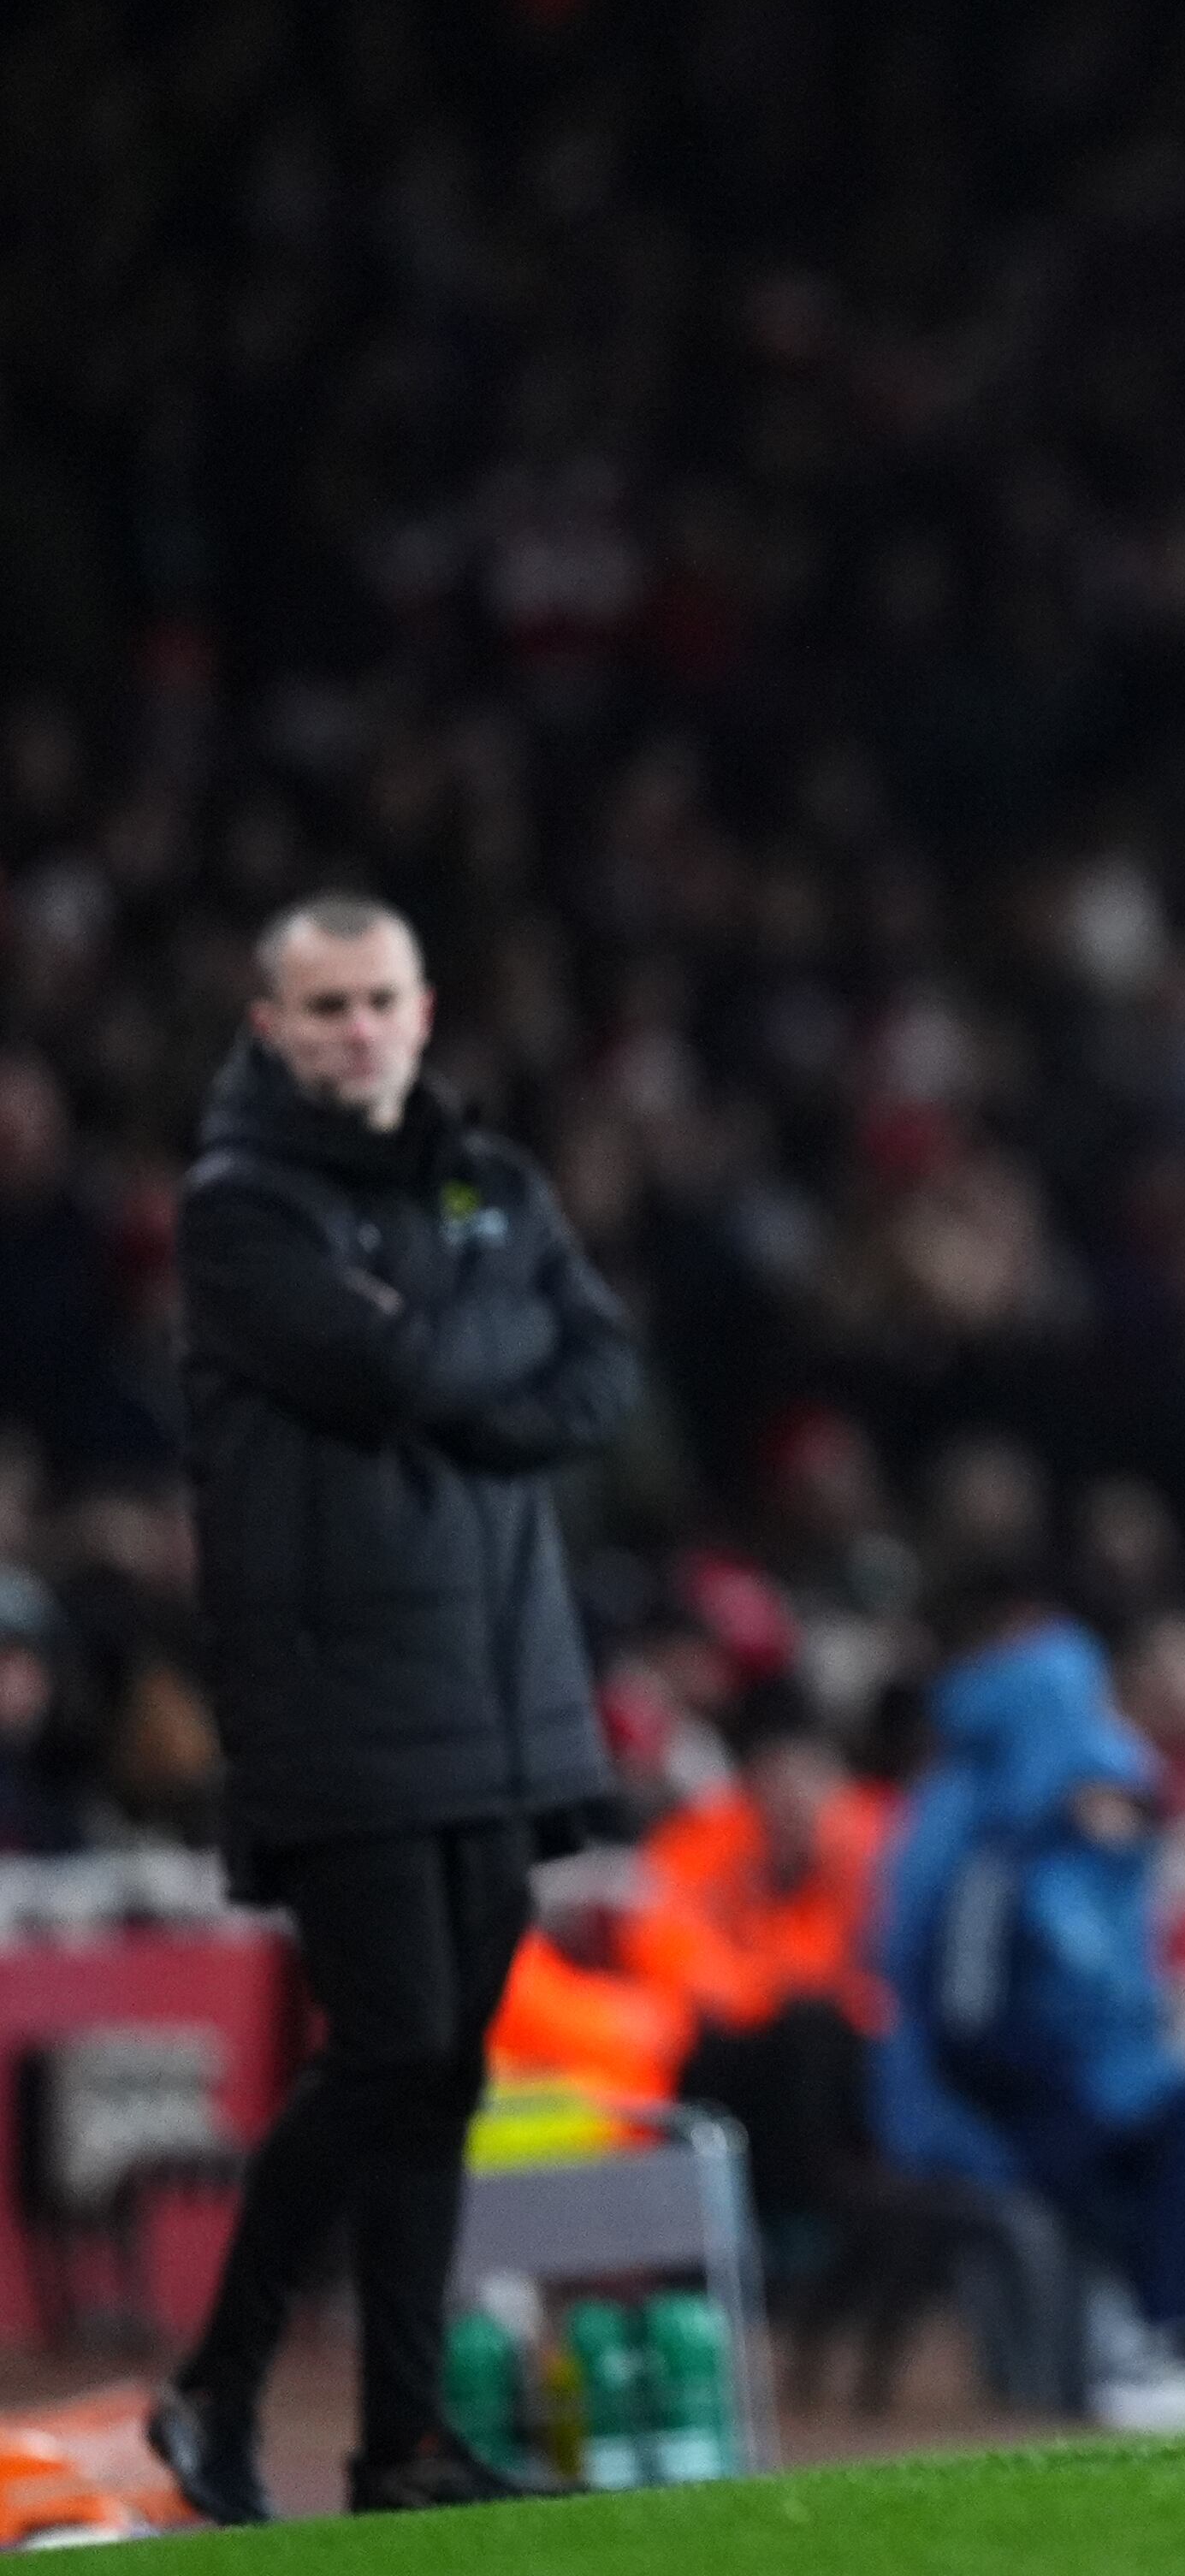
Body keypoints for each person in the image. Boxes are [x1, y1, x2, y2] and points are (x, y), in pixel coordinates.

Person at [151, 895, 640, 2520]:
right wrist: (477, 1363)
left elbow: (600, 1373)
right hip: (340, 1694)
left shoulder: (491, 1182)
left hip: (504, 1689)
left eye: (381, 1000)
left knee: (445, 2069)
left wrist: (457, 1361)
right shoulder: (240, 1211)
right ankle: (214, 2384)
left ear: (425, 1010)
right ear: (273, 1023)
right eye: (327, 1004)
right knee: (396, 2047)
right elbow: (410, 1379)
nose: (359, 1028)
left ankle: (405, 2441)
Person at [874, 1611, 1185, 2429]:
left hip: (1060, 2089)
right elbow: (970, 2028)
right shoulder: (995, 1860)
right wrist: (1097, 2087)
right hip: (993, 2105)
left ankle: (1184, 2328)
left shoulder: (1056, 1854)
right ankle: (1152, 2345)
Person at [626, 1675, 895, 2253]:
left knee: (819, 2037)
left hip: (847, 2062)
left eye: (810, 1783)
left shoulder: (875, 1846)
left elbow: (886, 1982)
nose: (791, 1805)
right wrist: (771, 1984)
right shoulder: (706, 1843)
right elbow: (667, 1952)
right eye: (773, 1786)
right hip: (735, 2055)